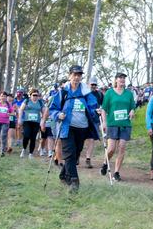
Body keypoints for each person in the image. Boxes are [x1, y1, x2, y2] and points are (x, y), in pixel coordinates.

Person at [49, 65, 101, 193]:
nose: (77, 77)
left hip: (82, 128)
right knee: (70, 154)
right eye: (74, 75)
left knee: (76, 154)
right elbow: (53, 109)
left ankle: (63, 175)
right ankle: (74, 181)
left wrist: (97, 111)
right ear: (69, 76)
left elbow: (93, 106)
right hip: (67, 127)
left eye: (79, 75)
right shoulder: (63, 92)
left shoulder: (85, 92)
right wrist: (58, 115)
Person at [100, 72, 136, 181]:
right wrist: (104, 122)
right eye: (120, 78)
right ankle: (105, 163)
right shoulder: (109, 93)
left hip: (125, 124)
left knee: (122, 147)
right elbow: (103, 109)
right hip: (112, 124)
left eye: (124, 78)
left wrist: (132, 111)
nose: (122, 80)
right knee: (111, 149)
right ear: (116, 80)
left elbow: (132, 107)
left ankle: (116, 173)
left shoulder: (129, 93)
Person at [83, 77, 104, 168]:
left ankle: (88, 158)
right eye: (92, 84)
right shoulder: (84, 93)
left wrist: (101, 110)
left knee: (91, 139)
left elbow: (103, 105)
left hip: (94, 120)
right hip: (83, 119)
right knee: (81, 139)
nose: (94, 86)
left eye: (95, 85)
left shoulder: (99, 94)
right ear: (88, 84)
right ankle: (76, 156)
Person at [18, 89, 44, 159]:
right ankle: (24, 149)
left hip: (36, 122)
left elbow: (44, 112)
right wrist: (20, 118)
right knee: (26, 135)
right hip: (27, 121)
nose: (35, 96)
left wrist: (42, 120)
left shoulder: (40, 102)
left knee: (33, 138)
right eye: (34, 95)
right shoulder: (27, 101)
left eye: (37, 95)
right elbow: (21, 109)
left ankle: (31, 153)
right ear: (30, 95)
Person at [0, 91, 14, 156]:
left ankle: (2, 151)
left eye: (4, 96)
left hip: (5, 122)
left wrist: (9, 114)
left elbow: (13, 113)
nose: (3, 97)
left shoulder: (9, 105)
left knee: (3, 136)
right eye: (2, 96)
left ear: (6, 97)